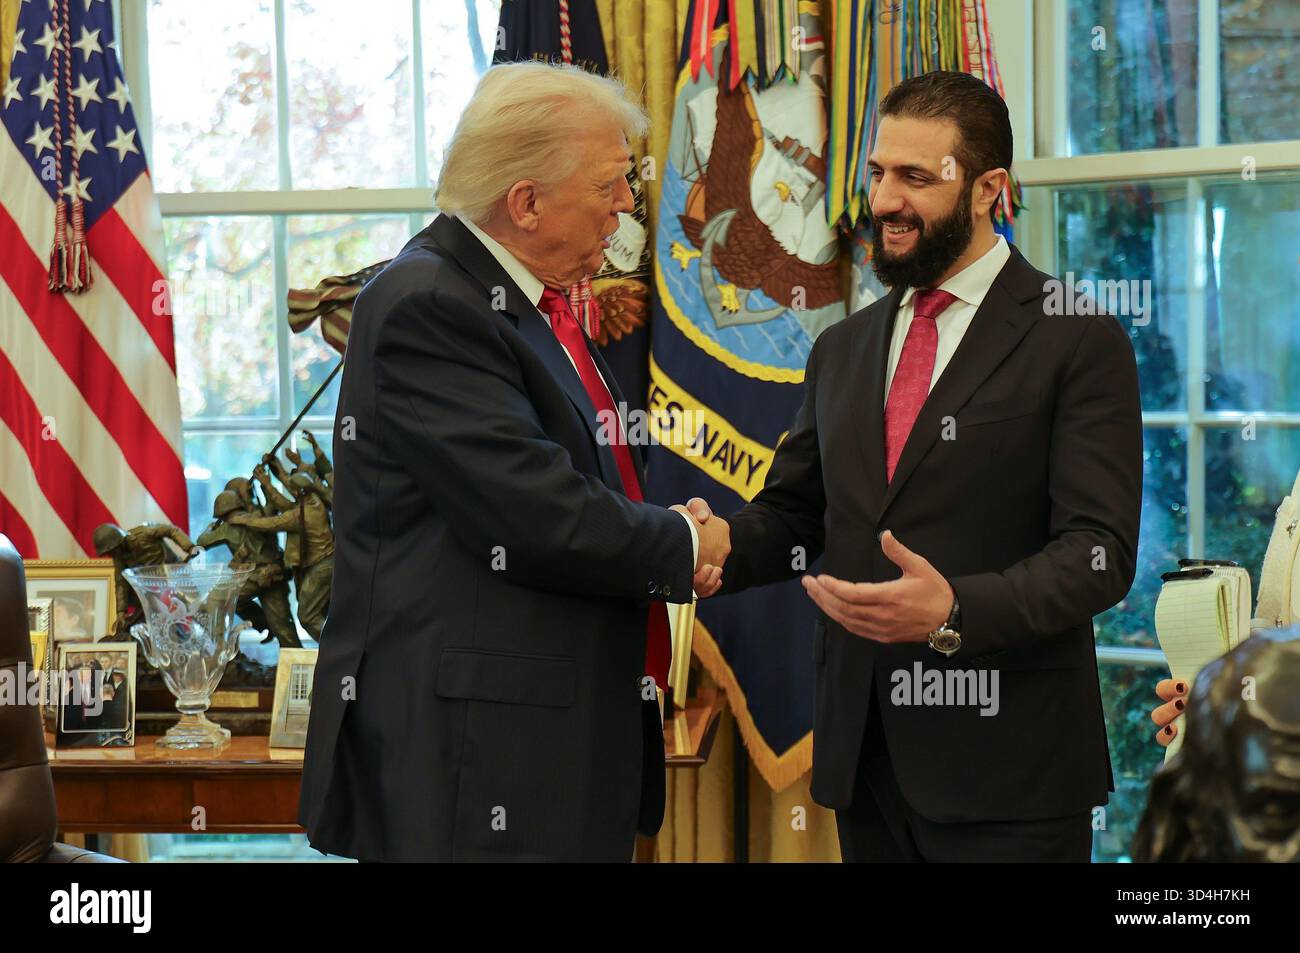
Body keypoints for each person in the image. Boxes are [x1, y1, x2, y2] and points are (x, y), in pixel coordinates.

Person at [688, 70, 1143, 862]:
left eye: (915, 178)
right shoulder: (843, 347)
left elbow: (1098, 553)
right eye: (877, 174)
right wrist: (721, 542)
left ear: (987, 189)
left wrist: (953, 610)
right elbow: (798, 515)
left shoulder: (1077, 336)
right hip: (865, 762)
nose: (886, 200)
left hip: (1012, 777)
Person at [298, 60, 727, 862]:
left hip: (535, 749)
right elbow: (539, 513)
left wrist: (670, 531)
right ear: (526, 202)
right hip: (476, 767)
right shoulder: (428, 303)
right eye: (611, 183)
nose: (628, 205)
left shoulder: (529, 306)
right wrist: (687, 543)